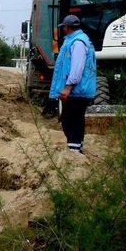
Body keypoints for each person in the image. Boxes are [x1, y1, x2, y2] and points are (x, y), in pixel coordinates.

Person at [49, 15, 97, 153]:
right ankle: (77, 149)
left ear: (67, 27)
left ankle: (74, 152)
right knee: (76, 121)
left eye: (63, 26)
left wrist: (67, 87)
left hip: (77, 91)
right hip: (79, 90)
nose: (63, 29)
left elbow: (77, 68)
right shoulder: (78, 40)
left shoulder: (77, 43)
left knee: (70, 122)